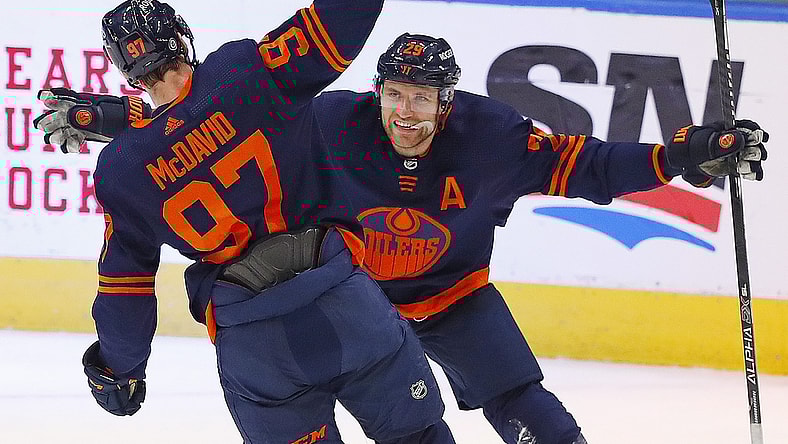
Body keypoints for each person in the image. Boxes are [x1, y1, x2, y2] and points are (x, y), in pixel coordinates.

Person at [36, 32, 768, 444]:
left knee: (522, 399)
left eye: (423, 98)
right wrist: (114, 116)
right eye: (395, 93)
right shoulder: (331, 122)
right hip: (358, 306)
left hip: (452, 296)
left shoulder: (491, 137)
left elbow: (591, 165)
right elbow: (214, 120)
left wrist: (681, 159)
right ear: (376, 91)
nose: (407, 111)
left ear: (448, 102)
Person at [35, 2, 460, 443]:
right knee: (419, 436)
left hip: (257, 348)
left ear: (126, 72)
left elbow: (125, 292)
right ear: (181, 37)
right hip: (344, 304)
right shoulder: (244, 70)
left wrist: (117, 370)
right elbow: (340, 22)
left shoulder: (120, 171)